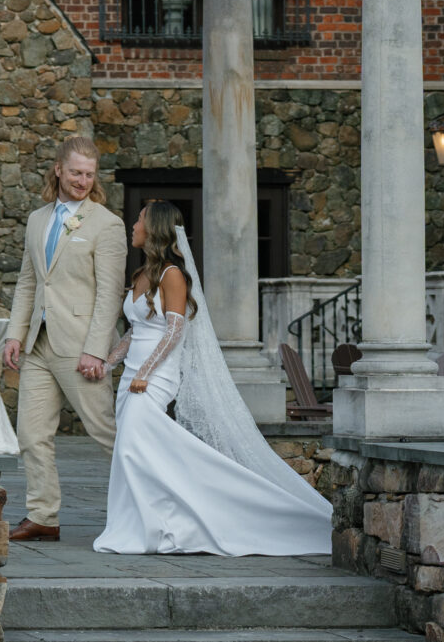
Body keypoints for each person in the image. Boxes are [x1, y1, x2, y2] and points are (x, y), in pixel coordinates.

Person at [95, 199, 333, 557]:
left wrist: (144, 373)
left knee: (132, 449)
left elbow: (174, 331)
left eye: (140, 218)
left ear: (154, 227)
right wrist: (108, 362)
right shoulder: (141, 274)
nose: (134, 224)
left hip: (155, 378)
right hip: (132, 378)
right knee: (138, 453)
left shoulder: (172, 275)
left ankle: (158, 525)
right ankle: (148, 523)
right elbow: (136, 332)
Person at [2, 131, 127, 543]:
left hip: (80, 347)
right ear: (58, 170)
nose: (82, 181)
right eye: (75, 172)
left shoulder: (107, 225)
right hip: (38, 343)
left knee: (105, 432)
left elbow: (110, 292)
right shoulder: (38, 219)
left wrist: (96, 350)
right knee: (32, 435)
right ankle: (43, 517)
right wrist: (14, 334)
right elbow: (28, 281)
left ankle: (147, 507)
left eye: (89, 174)